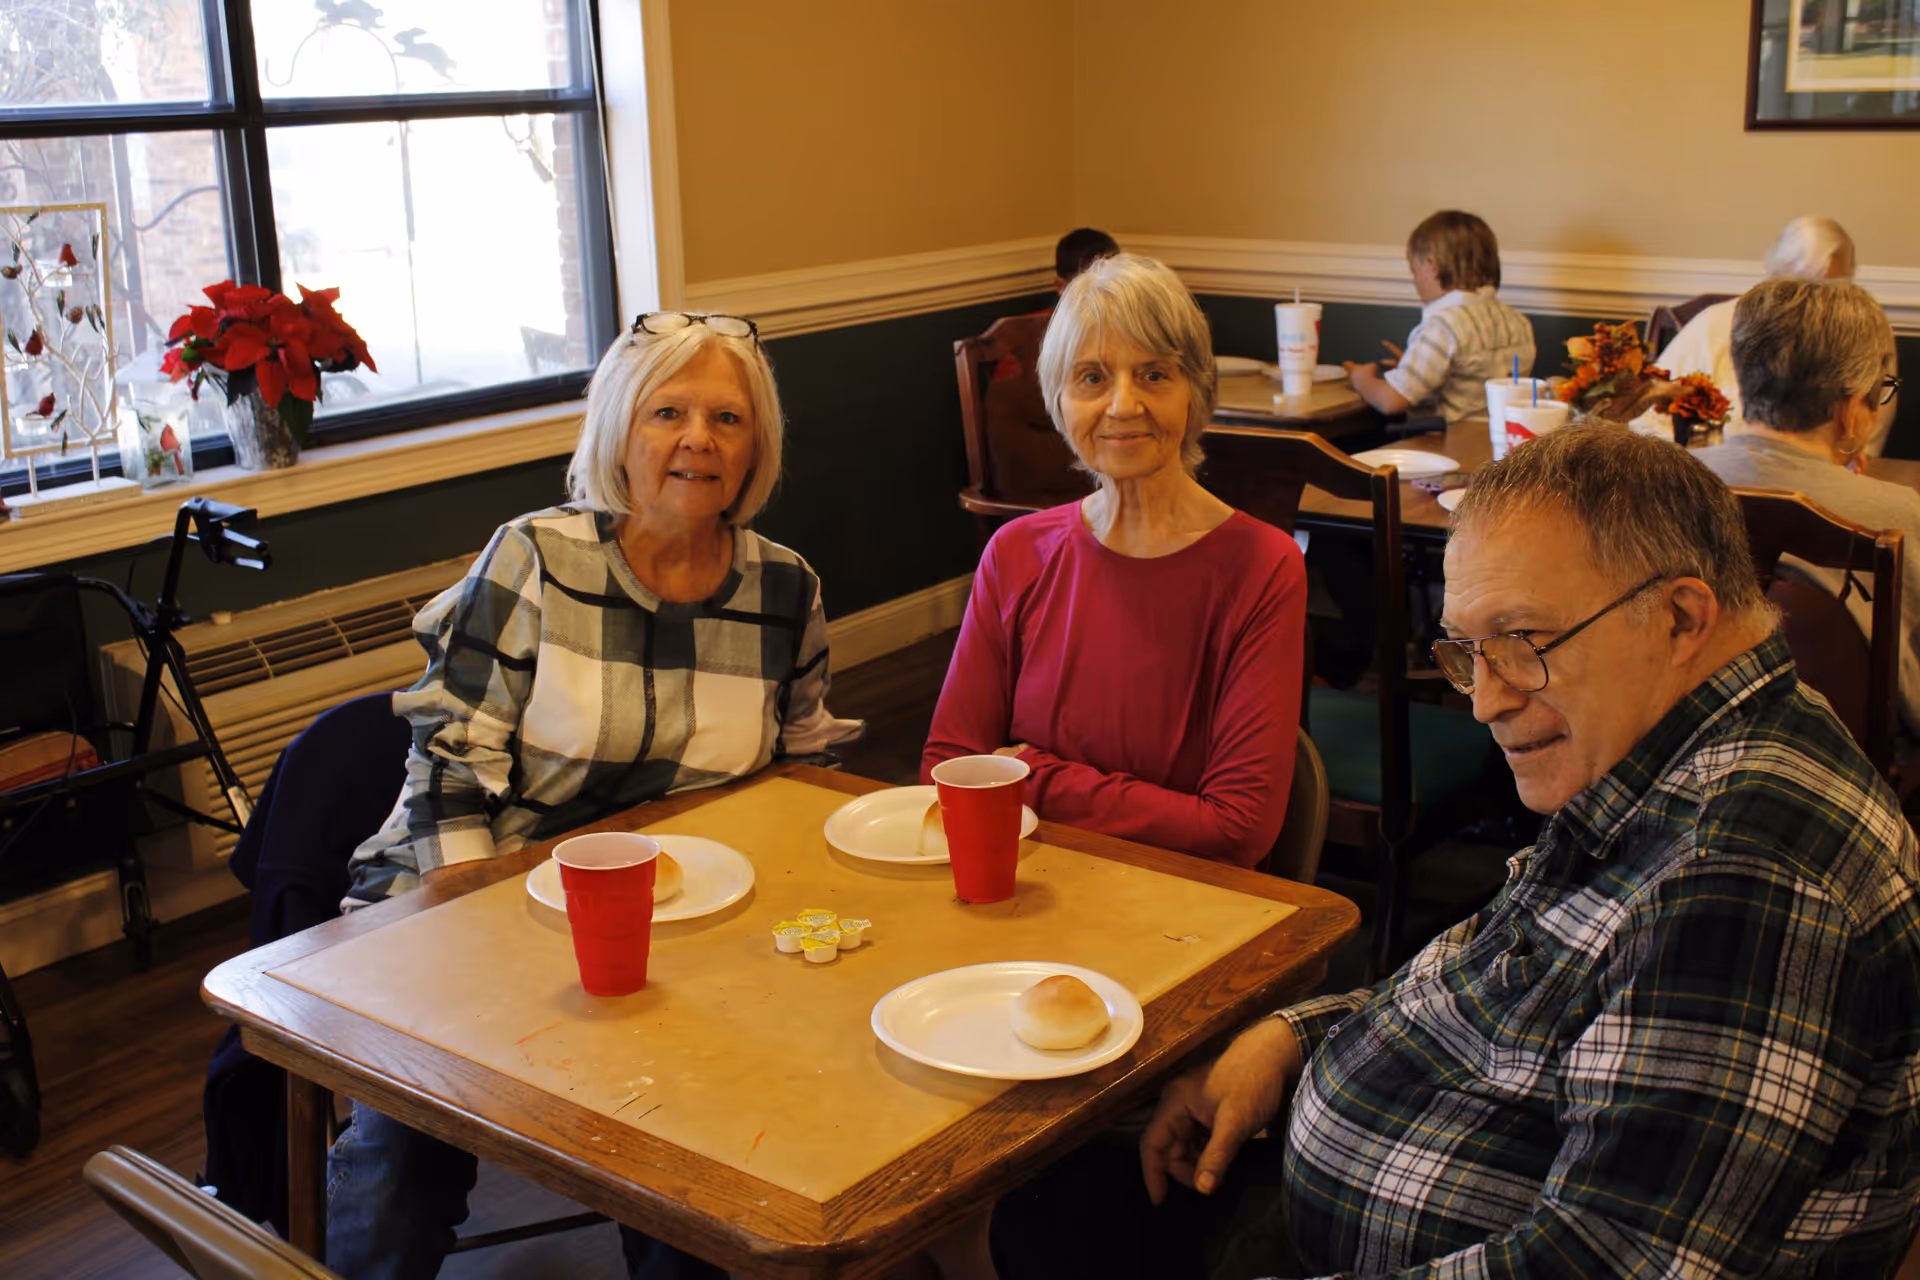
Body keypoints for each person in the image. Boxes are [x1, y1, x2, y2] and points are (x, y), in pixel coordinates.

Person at [996, 427, 1920, 1278]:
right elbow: (1512, 985)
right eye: (1466, 653)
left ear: (1681, 618)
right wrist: (1292, 1037)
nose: (1483, 702)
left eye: (1520, 644)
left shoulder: (1747, 874)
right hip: (1330, 1198)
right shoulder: (1666, 746)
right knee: (1047, 1211)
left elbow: (1605, 1263)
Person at [329, 312, 861, 1280]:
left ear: (756, 448)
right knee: (404, 1156)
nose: (698, 438)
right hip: (474, 899)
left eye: (727, 418)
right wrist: (482, 957)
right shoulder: (534, 559)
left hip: (681, 927)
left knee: (706, 1165)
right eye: (668, 411)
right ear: (620, 432)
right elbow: (449, 771)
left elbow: (795, 778)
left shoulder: (786, 589)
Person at [924, 253, 1306, 868]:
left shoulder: (1262, 565)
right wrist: (1155, 808)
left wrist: (1030, 774)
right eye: (1093, 378)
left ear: (1195, 393)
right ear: (1059, 400)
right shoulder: (1016, 553)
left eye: (1154, 375)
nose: (1123, 405)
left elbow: (1236, 832)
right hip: (1019, 882)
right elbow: (947, 769)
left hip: (1182, 906)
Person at [1693, 277, 1919, 739]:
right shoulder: (1899, 514)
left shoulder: (1662, 479)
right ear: (1851, 409)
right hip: (1842, 770)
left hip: (1672, 752)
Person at [1653, 215, 1898, 452]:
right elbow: (1649, 420)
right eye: (1802, 290)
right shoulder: (1712, 325)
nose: (1816, 308)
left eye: (1833, 292)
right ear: (1773, 277)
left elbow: (1869, 436)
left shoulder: (1867, 334)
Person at [1344, 210, 1535, 422]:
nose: (1414, 280)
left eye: (1414, 271)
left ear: (1433, 267)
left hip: (1447, 445)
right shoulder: (1518, 322)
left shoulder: (1443, 325)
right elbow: (1473, 375)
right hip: (1501, 444)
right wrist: (1411, 368)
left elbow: (1393, 400)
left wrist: (1361, 379)